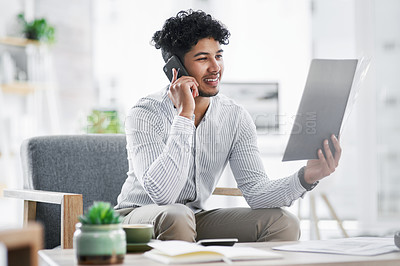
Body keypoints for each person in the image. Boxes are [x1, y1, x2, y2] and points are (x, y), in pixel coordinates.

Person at [114, 9, 341, 242]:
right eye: (203, 59)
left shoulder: (235, 116)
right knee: (177, 215)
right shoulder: (145, 113)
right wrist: (185, 115)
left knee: (283, 223)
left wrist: (307, 177)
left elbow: (256, 192)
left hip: (193, 217)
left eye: (218, 56)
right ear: (175, 68)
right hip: (136, 218)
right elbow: (164, 195)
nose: (215, 68)